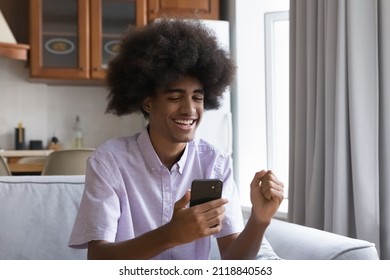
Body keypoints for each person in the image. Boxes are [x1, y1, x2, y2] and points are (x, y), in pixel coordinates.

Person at [68, 18, 284, 260]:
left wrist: (259, 220)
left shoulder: (216, 164)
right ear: (148, 102)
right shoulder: (110, 161)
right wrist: (171, 234)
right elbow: (98, 258)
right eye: (175, 97)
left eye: (197, 98)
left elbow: (233, 262)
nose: (189, 109)